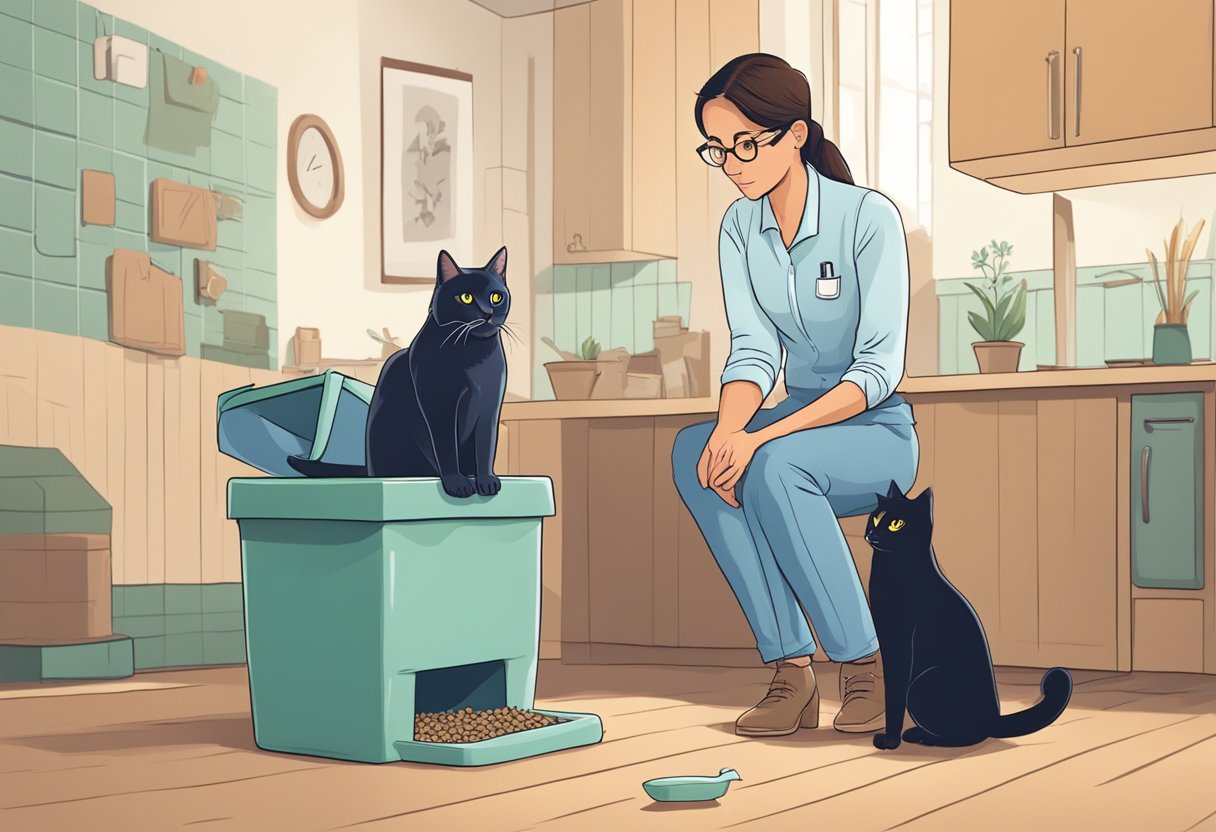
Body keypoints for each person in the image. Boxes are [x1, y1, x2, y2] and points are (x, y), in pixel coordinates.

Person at [672, 53, 919, 737]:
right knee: (696, 453)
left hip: (875, 434)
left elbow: (876, 371)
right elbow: (752, 351)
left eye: (747, 144)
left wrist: (761, 436)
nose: (733, 164)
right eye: (718, 149)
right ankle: (791, 672)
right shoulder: (739, 228)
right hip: (795, 427)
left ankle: (864, 667)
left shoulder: (866, 217)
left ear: (796, 135)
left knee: (775, 465)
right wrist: (730, 431)